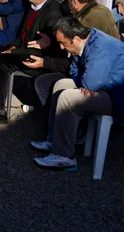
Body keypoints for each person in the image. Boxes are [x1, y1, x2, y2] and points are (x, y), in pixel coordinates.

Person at [32, 18, 124, 171]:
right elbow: (74, 71)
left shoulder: (100, 47)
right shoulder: (82, 43)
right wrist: (89, 83)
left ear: (75, 38)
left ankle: (65, 156)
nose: (61, 48)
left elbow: (91, 83)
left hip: (117, 96)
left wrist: (92, 84)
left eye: (63, 43)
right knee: (60, 85)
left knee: (68, 98)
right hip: (104, 88)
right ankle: (55, 140)